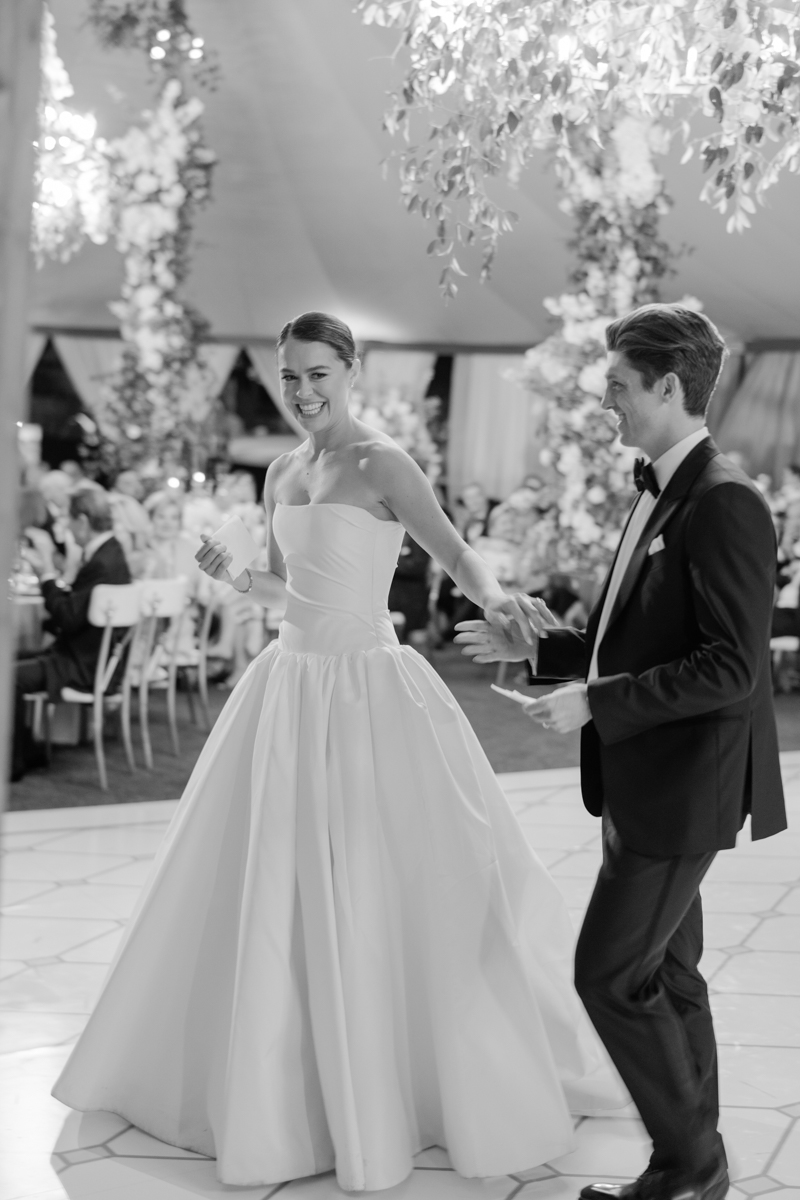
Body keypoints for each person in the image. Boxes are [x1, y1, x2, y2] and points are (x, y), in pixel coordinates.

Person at [53, 311, 623, 1192]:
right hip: (288, 685)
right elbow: (297, 587)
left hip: (366, 687)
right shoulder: (284, 469)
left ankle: (403, 1076)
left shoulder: (381, 461)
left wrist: (501, 607)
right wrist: (241, 579)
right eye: (290, 377)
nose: (303, 392)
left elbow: (455, 552)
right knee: (267, 877)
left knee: (377, 874)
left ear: (351, 369)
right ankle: (280, 1086)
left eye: (319, 374)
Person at [456, 303, 787, 1200]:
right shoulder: (661, 489)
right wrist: (537, 648)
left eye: (618, 387)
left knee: (607, 976)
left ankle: (690, 1166)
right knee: (668, 977)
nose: (606, 403)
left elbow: (729, 669)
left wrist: (595, 703)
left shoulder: (724, 503)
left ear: (669, 388)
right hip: (646, 782)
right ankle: (696, 1166)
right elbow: (630, 638)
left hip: (686, 786)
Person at [11, 487, 131, 780]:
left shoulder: (102, 562)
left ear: (83, 521)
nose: (64, 526)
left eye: (68, 519)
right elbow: (77, 610)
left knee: (9, 678)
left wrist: (47, 574)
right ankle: (28, 748)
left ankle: (13, 761)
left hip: (81, 664)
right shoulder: (111, 551)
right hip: (90, 655)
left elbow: (67, 616)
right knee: (11, 659)